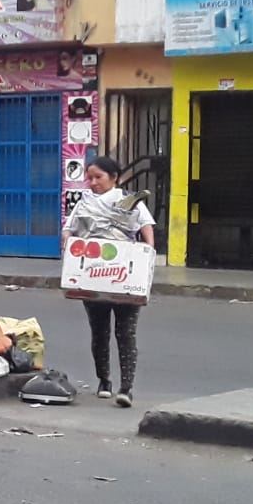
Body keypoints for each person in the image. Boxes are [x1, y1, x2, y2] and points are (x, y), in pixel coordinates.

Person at [61, 156, 155, 408]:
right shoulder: (83, 204)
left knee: (126, 332)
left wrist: (147, 256)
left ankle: (126, 388)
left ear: (114, 178)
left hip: (124, 272)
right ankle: (104, 381)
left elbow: (146, 227)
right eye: (89, 178)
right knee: (99, 331)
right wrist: (67, 242)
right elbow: (69, 228)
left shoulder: (128, 201)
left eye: (98, 177)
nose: (92, 183)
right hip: (93, 273)